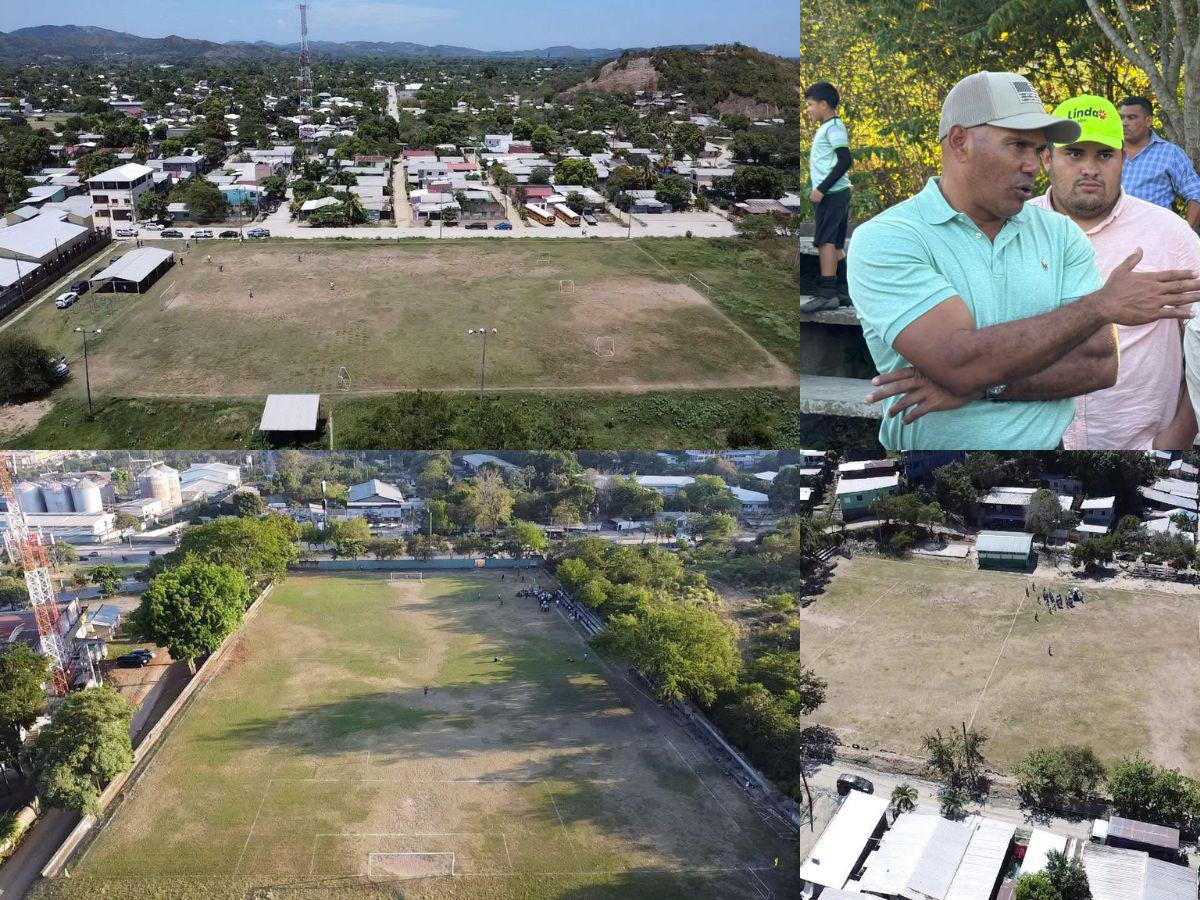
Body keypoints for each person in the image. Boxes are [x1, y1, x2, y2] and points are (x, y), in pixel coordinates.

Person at [852, 71, 1200, 450]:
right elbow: (959, 362)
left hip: (1054, 463)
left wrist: (982, 388)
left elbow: (1099, 365)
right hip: (928, 470)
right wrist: (1100, 306)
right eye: (1018, 145)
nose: (1033, 164)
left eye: (1036, 150)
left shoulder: (1060, 234)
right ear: (959, 142)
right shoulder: (889, 238)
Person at [1029, 95, 1200, 449]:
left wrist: (1178, 436)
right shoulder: (1012, 231)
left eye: (1104, 155)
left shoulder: (1169, 234)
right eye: (1074, 154)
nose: (1090, 168)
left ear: (1123, 159)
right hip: (1037, 446)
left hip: (1143, 448)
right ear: (1047, 159)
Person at [801, 81, 853, 311]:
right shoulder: (832, 126)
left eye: (811, 105)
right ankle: (842, 291)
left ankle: (827, 293)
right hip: (839, 193)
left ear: (823, 104)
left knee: (825, 242)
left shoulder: (832, 128)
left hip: (832, 194)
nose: (808, 110)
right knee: (837, 245)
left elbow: (845, 160)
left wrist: (821, 188)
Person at [1118, 96, 1200, 229]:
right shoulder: (1109, 152)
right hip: (1111, 238)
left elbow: (1196, 192)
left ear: (1148, 120)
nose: (1124, 123)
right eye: (1121, 117)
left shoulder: (1170, 153)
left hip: (1154, 238)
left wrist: (1185, 235)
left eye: (1131, 117)